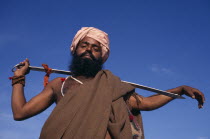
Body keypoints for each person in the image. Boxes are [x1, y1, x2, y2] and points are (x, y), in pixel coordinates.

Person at [11, 27, 205, 139]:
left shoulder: (113, 86)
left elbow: (145, 103)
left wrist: (179, 89)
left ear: (102, 56)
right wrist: (19, 79)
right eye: (83, 45)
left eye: (95, 48)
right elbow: (20, 113)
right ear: (75, 50)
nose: (88, 50)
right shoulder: (59, 84)